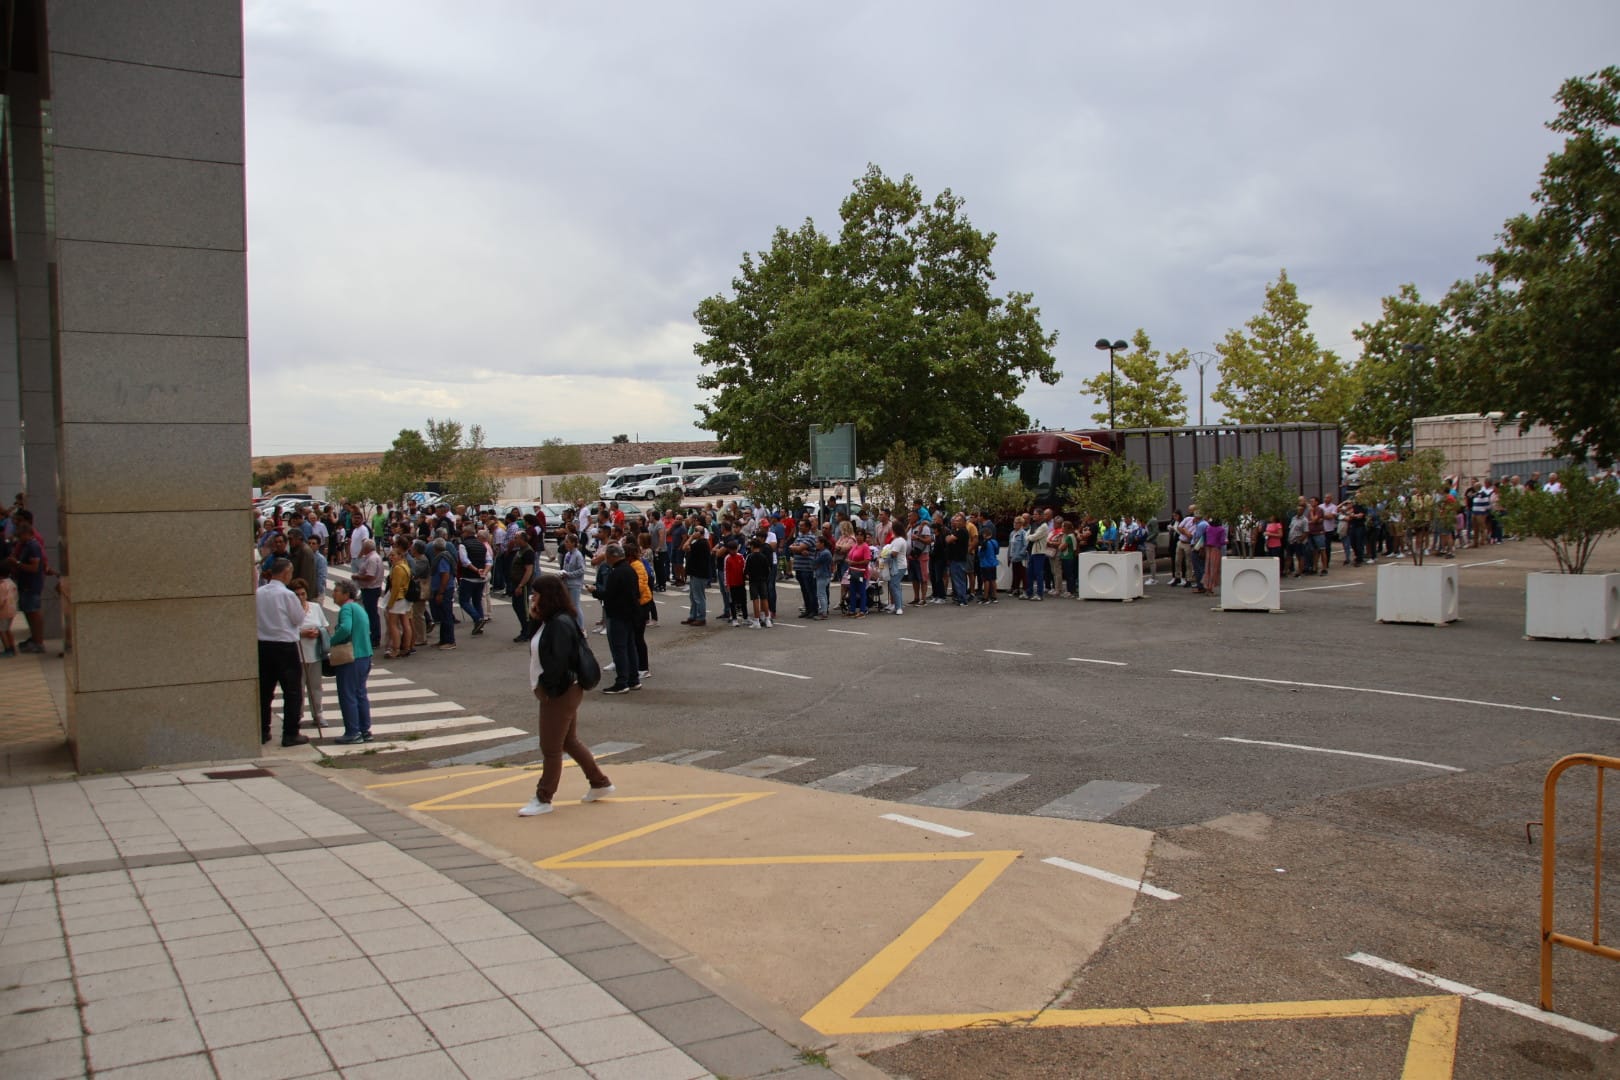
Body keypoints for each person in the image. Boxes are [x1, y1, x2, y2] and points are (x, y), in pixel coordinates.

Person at [520, 575, 615, 817]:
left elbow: (559, 662)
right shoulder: (550, 619)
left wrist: (547, 688)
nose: (533, 597)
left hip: (561, 691)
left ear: (547, 596)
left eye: (536, 594)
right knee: (568, 741)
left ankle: (544, 797)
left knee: (550, 747)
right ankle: (599, 782)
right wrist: (534, 617)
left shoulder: (559, 623)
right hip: (564, 689)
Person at [256, 558, 309, 747]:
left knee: (265, 691)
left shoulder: (259, 593)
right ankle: (290, 733)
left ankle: (263, 730)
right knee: (292, 691)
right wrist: (303, 606)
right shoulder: (287, 595)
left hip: (263, 644)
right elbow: (298, 619)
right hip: (285, 646)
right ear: (286, 573)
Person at [327, 580, 374, 744]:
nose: (333, 593)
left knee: (347, 695)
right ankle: (364, 729)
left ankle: (353, 731)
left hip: (352, 656)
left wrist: (331, 641)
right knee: (360, 694)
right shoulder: (358, 608)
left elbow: (346, 628)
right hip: (365, 655)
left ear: (346, 594)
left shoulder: (346, 608)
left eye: (337, 591)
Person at [290, 577, 328, 731]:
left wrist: (318, 632)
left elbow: (325, 626)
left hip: (315, 653)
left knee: (316, 687)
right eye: (297, 595)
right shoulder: (290, 610)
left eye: (302, 594)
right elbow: (287, 631)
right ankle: (297, 715)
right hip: (297, 655)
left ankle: (318, 714)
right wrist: (302, 633)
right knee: (298, 687)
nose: (300, 598)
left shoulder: (315, 607)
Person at [352, 539, 385, 649]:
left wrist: (357, 577)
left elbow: (370, 576)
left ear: (366, 548)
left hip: (371, 589)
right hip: (371, 588)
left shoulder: (372, 559)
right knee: (371, 613)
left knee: (372, 614)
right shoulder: (372, 557)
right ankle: (374, 636)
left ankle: (375, 638)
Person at [384, 541, 414, 659]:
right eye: (390, 555)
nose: (391, 558)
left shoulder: (397, 568)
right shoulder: (405, 565)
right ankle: (406, 647)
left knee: (393, 625)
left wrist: (390, 603)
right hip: (404, 598)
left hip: (398, 599)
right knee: (405, 623)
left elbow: (395, 588)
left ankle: (396, 649)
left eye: (393, 555)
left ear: (400, 556)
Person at [429, 539, 458, 649]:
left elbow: (445, 576)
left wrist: (440, 592)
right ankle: (443, 640)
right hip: (444, 589)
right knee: (443, 615)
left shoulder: (442, 558)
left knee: (446, 615)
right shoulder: (444, 556)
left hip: (444, 590)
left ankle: (450, 641)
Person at [683, 524, 712, 627]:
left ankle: (701, 617)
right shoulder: (698, 542)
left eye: (696, 531)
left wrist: (691, 537)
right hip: (694, 573)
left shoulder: (702, 543)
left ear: (701, 533)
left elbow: (685, 547)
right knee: (693, 596)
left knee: (699, 597)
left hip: (699, 574)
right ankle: (693, 616)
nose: (694, 532)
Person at [0, 558, 17, 657]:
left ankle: (8, 649)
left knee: (2, 630)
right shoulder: (11, 583)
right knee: (7, 629)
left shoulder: (1, 585)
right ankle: (12, 647)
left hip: (3, 611)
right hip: (11, 609)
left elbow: (1, 600)